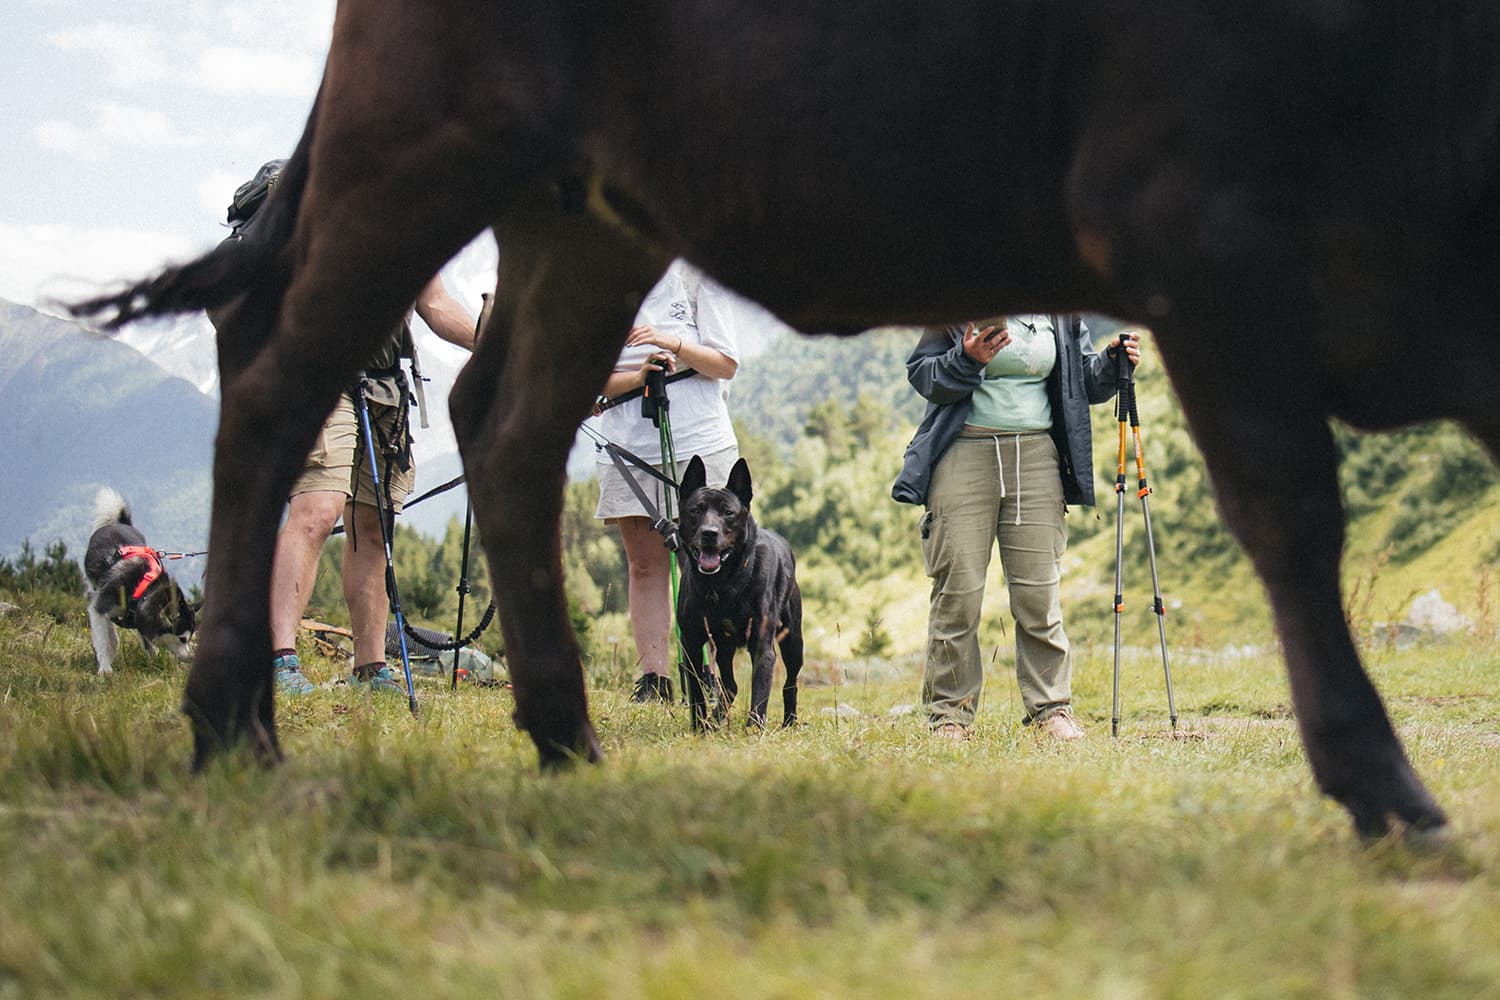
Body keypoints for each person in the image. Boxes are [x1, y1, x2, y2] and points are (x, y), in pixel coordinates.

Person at [208, 159, 478, 695]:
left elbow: (436, 304)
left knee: (373, 527)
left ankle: (370, 667)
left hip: (383, 390)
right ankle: (278, 659)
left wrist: (492, 339)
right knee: (316, 509)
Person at [892, 315, 1140, 740]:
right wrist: (967, 358)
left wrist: (1109, 362)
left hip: (1038, 457)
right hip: (963, 452)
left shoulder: (1060, 312)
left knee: (1039, 594)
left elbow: (1079, 380)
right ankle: (950, 715)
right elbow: (926, 376)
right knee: (958, 594)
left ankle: (1051, 710)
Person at [593, 258, 743, 703]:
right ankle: (654, 680)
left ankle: (715, 677)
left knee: (711, 560)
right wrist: (638, 376)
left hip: (701, 441)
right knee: (644, 564)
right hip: (626, 440)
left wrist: (670, 343)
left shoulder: (698, 274)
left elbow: (725, 362)